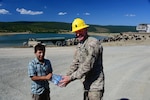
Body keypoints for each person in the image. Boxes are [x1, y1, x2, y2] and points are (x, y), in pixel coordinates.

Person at [59, 18, 105, 100]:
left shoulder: (93, 43)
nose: (77, 34)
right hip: (86, 84)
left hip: (95, 86)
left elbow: (87, 66)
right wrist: (66, 76)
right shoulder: (80, 45)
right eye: (76, 32)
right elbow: (75, 63)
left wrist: (70, 78)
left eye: (80, 31)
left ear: (86, 29)